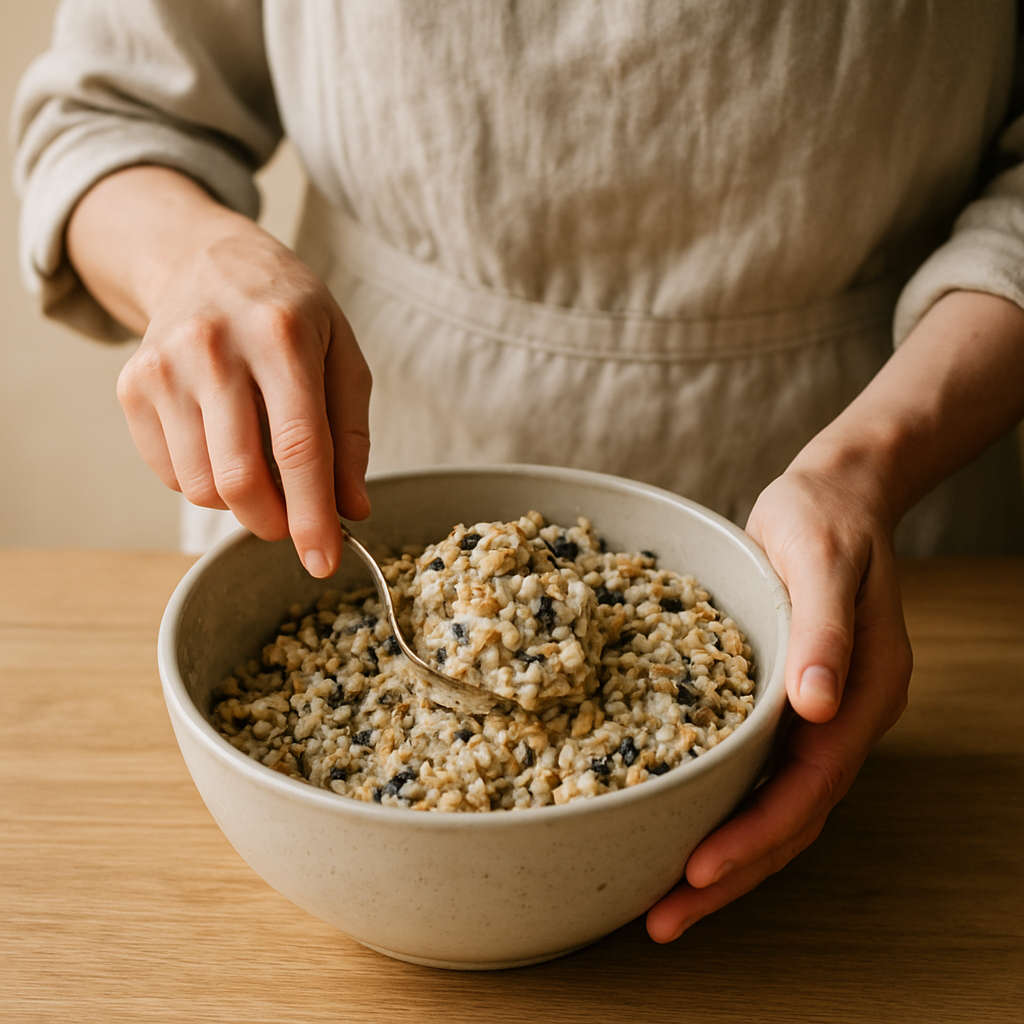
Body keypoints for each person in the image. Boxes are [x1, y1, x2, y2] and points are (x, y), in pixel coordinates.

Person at [13, 0, 1024, 943]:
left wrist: (865, 468)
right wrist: (195, 261)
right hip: (350, 456)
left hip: (877, 457)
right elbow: (104, 115)